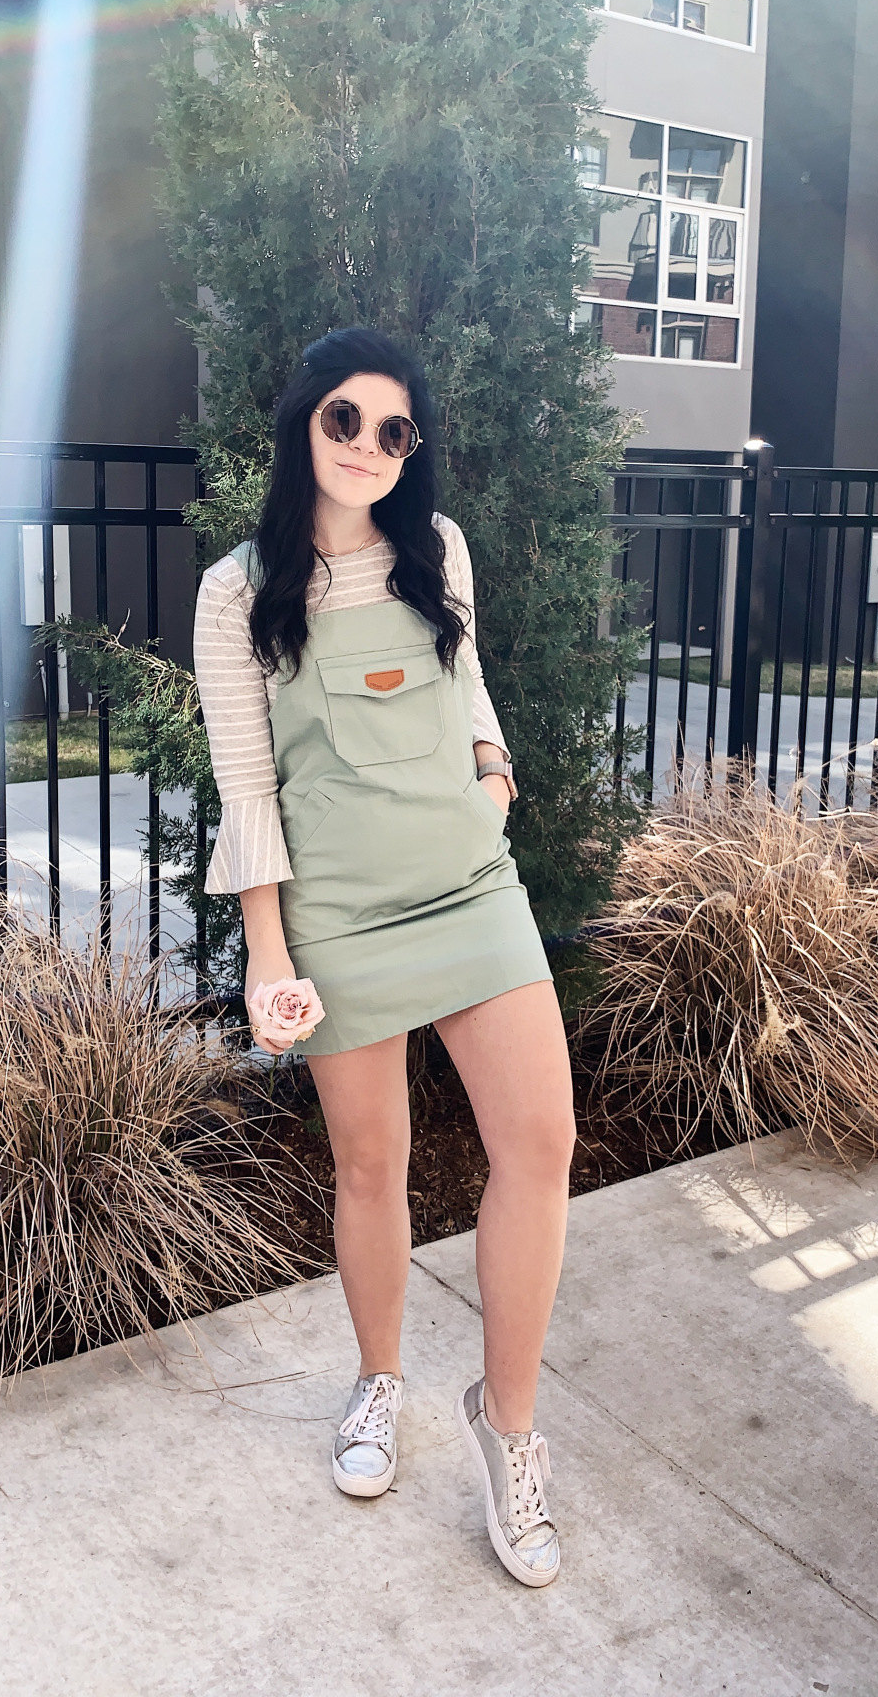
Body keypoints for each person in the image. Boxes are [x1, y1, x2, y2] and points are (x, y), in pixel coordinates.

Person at [193, 326, 577, 1588]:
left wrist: (493, 764)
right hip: (342, 914)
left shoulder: (439, 551)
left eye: (393, 431)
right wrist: (266, 958)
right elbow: (249, 792)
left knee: (542, 1144)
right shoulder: (238, 591)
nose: (367, 446)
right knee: (373, 1164)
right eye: (344, 420)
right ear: (304, 422)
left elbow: (466, 684)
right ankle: (377, 1383)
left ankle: (507, 1430)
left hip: (470, 886)